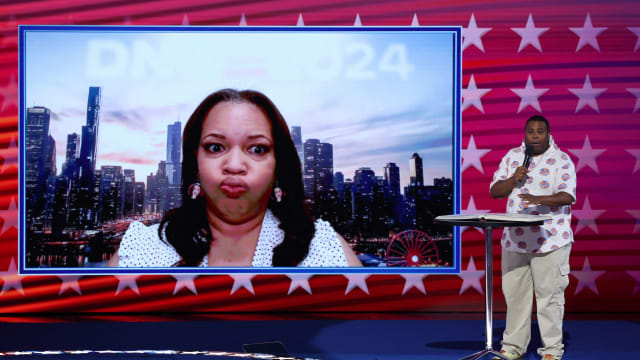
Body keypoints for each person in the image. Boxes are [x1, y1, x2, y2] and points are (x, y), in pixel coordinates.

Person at [108, 89, 361, 267]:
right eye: (216, 148)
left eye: (257, 149)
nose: (235, 165)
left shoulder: (327, 252)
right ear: (196, 163)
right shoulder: (141, 250)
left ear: (277, 167)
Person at [489, 115, 576, 360]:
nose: (535, 136)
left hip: (551, 241)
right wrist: (513, 179)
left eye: (540, 131)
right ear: (525, 134)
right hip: (515, 241)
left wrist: (539, 200)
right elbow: (495, 191)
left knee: (549, 298)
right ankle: (513, 347)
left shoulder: (562, 160)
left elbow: (567, 196)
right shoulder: (512, 157)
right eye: (531, 131)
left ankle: (551, 350)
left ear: (548, 134)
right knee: (516, 297)